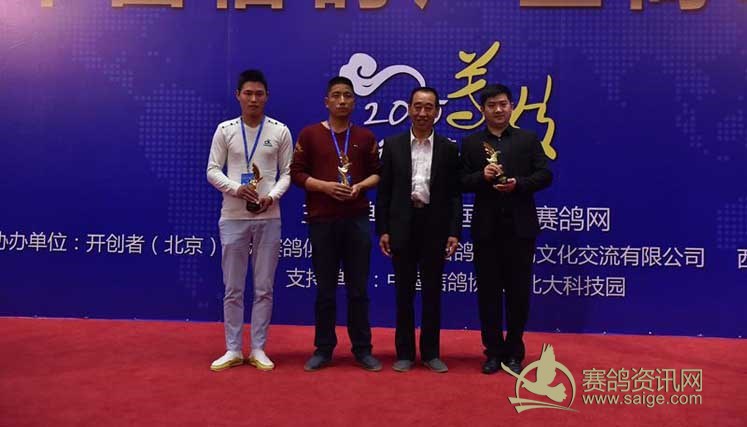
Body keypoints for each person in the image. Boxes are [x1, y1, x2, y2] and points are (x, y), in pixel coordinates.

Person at [290, 76, 382, 372]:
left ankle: (363, 349)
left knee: (359, 289)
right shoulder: (310, 135)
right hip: (323, 220)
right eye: (337, 95)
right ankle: (323, 348)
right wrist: (324, 187)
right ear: (326, 101)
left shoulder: (365, 136)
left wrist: (360, 186)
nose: (342, 101)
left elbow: (378, 173)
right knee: (325, 289)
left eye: (347, 96)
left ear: (354, 101)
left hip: (357, 220)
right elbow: (296, 174)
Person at [459, 84, 553, 375]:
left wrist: (518, 184)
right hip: (486, 229)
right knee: (488, 294)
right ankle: (492, 352)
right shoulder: (471, 143)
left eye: (503, 104)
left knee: (518, 293)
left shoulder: (527, 139)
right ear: (482, 110)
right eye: (491, 105)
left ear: (512, 106)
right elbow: (459, 181)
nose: (498, 110)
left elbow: (545, 174)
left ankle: (514, 351)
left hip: (520, 229)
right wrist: (482, 176)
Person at [206, 69, 293, 372]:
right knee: (233, 288)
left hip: (269, 216)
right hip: (233, 217)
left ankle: (258, 348)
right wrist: (236, 189)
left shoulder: (280, 131)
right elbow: (212, 170)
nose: (253, 99)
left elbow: (288, 173)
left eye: (259, 94)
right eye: (248, 93)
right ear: (238, 96)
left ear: (267, 97)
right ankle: (232, 348)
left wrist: (272, 196)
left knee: (264, 288)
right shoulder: (225, 130)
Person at [375, 87, 461, 373]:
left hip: (435, 226)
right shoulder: (393, 145)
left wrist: (454, 231)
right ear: (409, 109)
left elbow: (455, 195)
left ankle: (431, 353)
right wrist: (383, 229)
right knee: (404, 293)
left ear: (437, 112)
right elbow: (384, 193)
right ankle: (404, 353)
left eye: (428, 107)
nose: (423, 113)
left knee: (432, 293)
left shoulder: (448, 148)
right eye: (418, 106)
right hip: (402, 225)